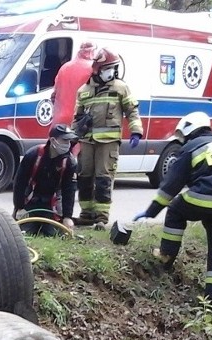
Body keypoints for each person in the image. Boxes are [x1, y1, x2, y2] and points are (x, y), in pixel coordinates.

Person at [134, 112, 212, 314]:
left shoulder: (192, 147)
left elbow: (171, 186)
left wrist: (151, 211)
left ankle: (166, 254)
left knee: (176, 209)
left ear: (188, 130)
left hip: (206, 197)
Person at [72, 48, 143, 229]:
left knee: (103, 178)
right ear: (97, 69)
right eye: (106, 68)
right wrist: (73, 137)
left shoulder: (121, 88)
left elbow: (132, 112)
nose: (110, 72)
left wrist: (136, 131)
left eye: (112, 68)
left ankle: (101, 217)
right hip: (87, 141)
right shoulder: (84, 90)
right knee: (84, 177)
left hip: (108, 143)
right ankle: (86, 213)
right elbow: (77, 117)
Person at [12, 124, 78, 236]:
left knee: (53, 233)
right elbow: (19, 183)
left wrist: (67, 217)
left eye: (69, 141)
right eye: (64, 140)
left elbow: (69, 190)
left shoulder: (69, 162)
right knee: (24, 232)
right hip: (30, 201)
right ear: (53, 140)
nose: (68, 144)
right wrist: (19, 207)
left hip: (51, 204)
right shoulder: (33, 155)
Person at [50, 41, 96, 133]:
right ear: (92, 52)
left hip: (61, 119)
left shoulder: (64, 67)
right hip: (79, 120)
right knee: (77, 146)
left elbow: (54, 95)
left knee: (60, 145)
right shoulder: (92, 69)